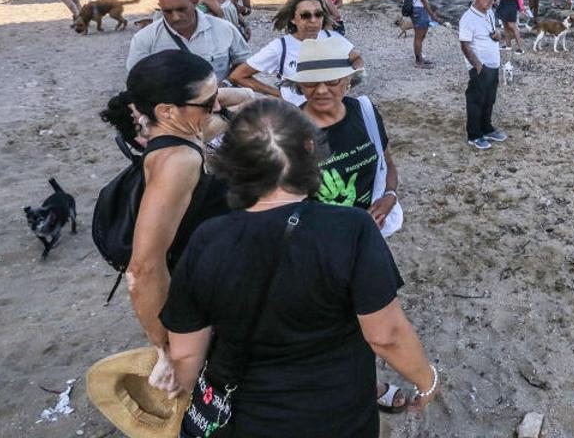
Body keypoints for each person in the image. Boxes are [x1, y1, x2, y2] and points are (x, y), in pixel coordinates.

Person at [161, 99, 438, 435]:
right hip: (338, 414)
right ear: (310, 148)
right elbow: (386, 335)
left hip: (245, 417)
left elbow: (186, 356)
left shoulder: (206, 238)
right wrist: (425, 379)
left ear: (234, 164)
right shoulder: (351, 229)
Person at [99, 51, 235, 395]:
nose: (217, 105)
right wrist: (166, 348)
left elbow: (231, 100)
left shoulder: (185, 132)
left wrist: (239, 94)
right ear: (167, 111)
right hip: (204, 298)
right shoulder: (177, 161)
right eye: (208, 101)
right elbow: (143, 268)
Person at [292, 37, 399, 236]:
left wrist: (390, 196)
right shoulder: (290, 130)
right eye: (311, 82)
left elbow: (388, 164)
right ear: (300, 86)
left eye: (332, 80)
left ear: (348, 81)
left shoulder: (364, 111)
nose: (321, 90)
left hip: (371, 231)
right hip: (323, 238)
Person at [229, 0, 361, 104]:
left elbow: (356, 58)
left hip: (331, 109)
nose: (313, 20)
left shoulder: (332, 37)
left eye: (318, 14)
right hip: (299, 115)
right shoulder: (281, 47)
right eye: (305, 15)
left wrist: (348, 80)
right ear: (293, 19)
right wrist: (278, 94)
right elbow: (238, 75)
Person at [126, 0, 251, 83]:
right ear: (160, 7)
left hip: (219, 100)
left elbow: (244, 63)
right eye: (168, 11)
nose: (176, 17)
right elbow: (136, 79)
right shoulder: (145, 39)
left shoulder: (224, 29)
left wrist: (226, 84)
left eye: (181, 9)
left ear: (195, 3)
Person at [458, 0, 507, 150]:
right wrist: (477, 66)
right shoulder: (468, 18)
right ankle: (474, 135)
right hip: (480, 66)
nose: (492, 1)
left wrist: (498, 35)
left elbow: (497, 33)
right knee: (476, 100)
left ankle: (487, 128)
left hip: (493, 64)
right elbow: (464, 44)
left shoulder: (489, 13)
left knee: (489, 100)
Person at [409, 0, 444, 68]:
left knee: (421, 35)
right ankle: (419, 61)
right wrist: (433, 15)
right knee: (419, 36)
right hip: (420, 10)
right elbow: (424, 0)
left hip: (418, 10)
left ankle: (420, 58)